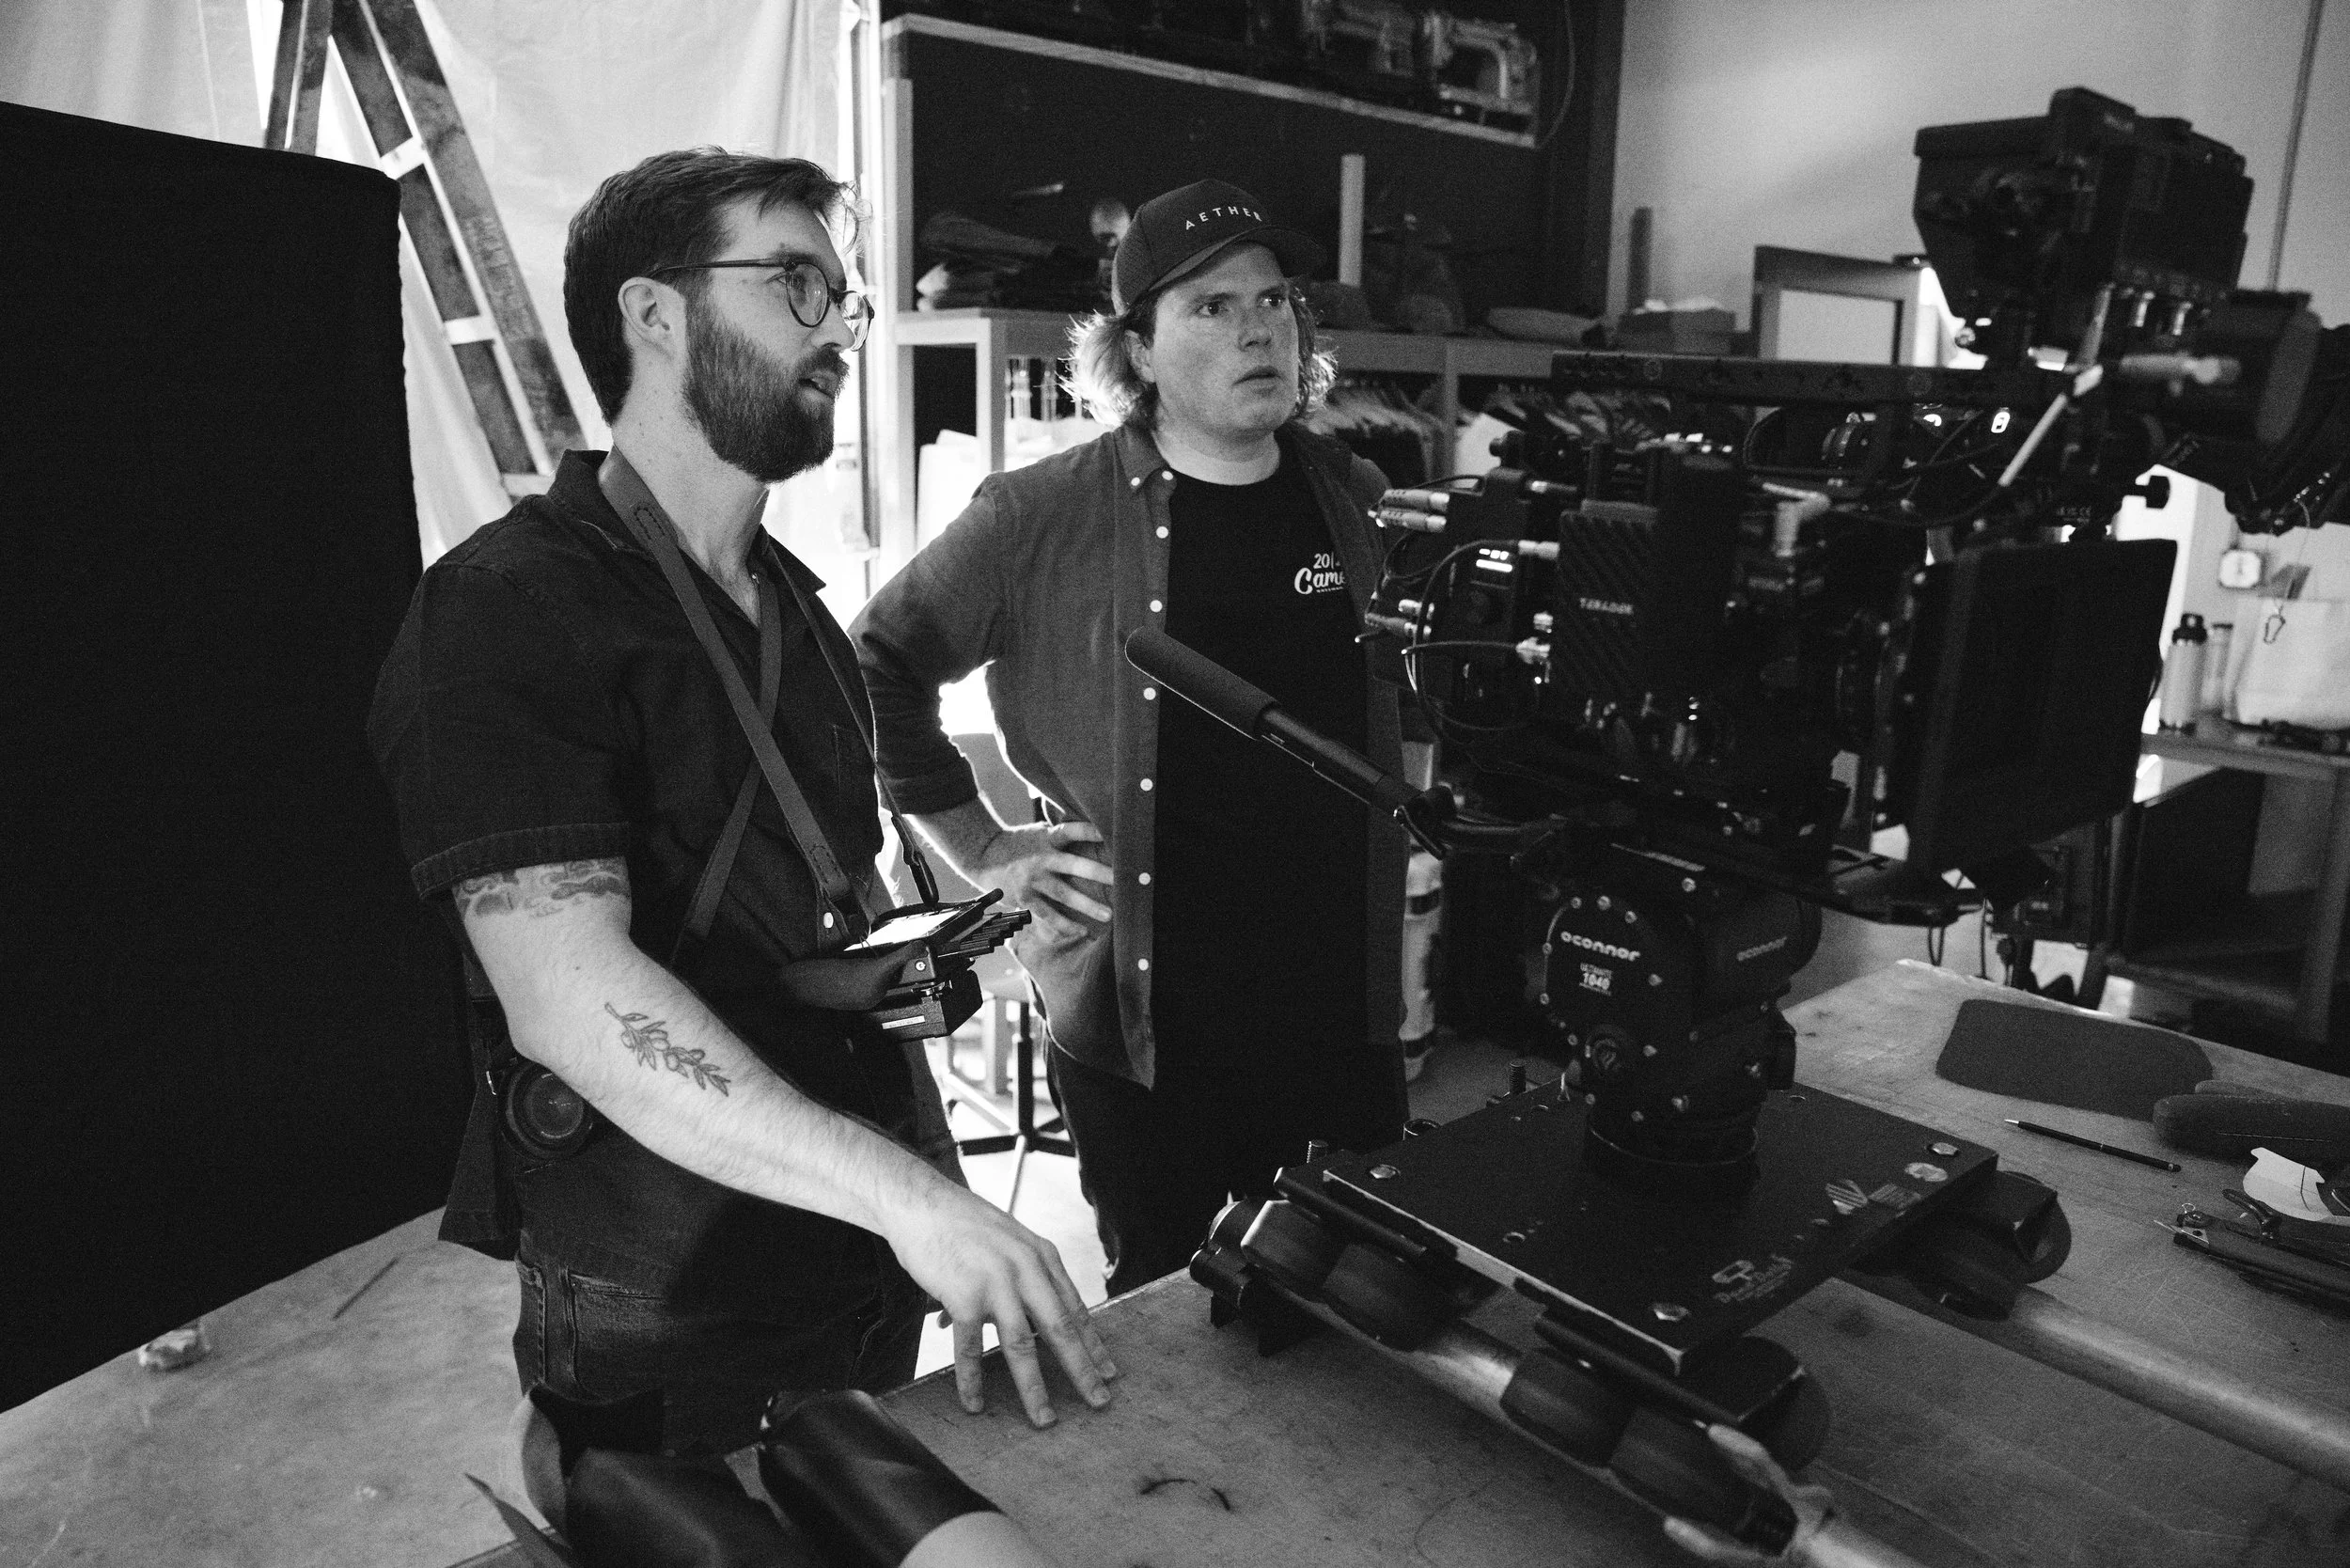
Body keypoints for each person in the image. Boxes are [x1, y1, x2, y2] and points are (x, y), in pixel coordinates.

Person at [368, 149, 1116, 1454]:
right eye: (797, 286)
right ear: (655, 316)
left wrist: (973, 961)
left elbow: (811, 943)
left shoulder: (805, 620)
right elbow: (569, 1000)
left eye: (844, 296)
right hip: (677, 1300)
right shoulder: (504, 613)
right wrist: (913, 1199)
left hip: (861, 1268)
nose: (839, 330)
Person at [853, 180, 1410, 1298]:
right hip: (1149, 1018)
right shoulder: (1037, 515)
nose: (1259, 326)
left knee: (1347, 1298)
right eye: (1209, 306)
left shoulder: (1349, 493)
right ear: (1138, 352)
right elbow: (872, 664)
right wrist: (983, 846)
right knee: (1170, 1305)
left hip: (1333, 1003)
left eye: (1274, 300)